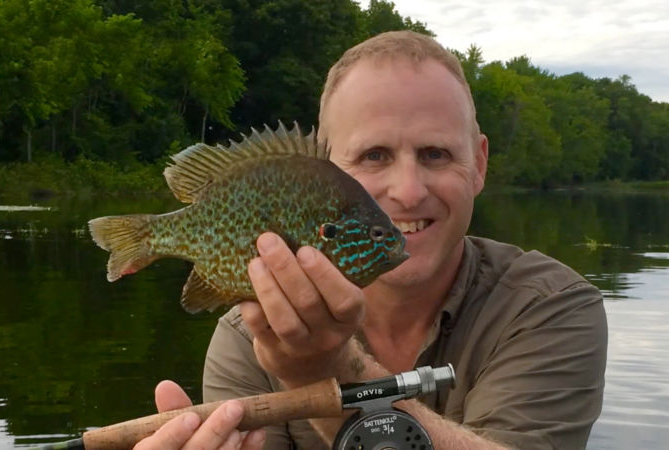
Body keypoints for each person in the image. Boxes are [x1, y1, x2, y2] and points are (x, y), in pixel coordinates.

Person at [135, 30, 607, 450]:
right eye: (374, 155)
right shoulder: (248, 337)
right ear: (323, 171)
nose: (407, 190)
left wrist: (325, 370)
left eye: (436, 153)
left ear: (479, 164)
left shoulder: (548, 308)